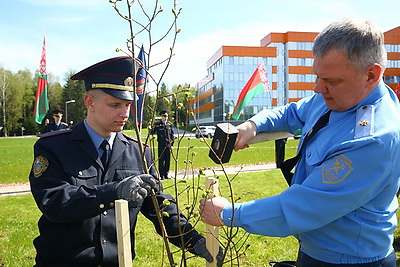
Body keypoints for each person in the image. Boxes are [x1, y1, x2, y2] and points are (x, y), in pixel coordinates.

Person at [199, 18, 400, 266]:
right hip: (316, 250)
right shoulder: (338, 97)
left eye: (330, 81)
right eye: (317, 76)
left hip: (352, 261)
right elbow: (291, 113)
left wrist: (228, 214)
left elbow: (302, 207)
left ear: (371, 74)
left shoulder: (373, 139)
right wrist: (253, 126)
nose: (317, 88)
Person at [29, 56, 221, 266]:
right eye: (115, 104)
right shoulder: (54, 147)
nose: (124, 113)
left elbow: (159, 207)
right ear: (89, 102)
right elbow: (55, 202)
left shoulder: (139, 151)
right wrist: (114, 191)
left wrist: (194, 241)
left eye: (128, 105)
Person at [151, 110, 174, 179]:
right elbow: (152, 132)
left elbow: (172, 135)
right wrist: (151, 126)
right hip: (161, 145)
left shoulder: (169, 124)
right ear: (161, 116)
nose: (165, 117)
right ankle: (161, 175)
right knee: (161, 159)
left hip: (168, 145)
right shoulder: (158, 124)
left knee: (167, 160)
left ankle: (166, 174)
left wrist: (172, 144)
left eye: (166, 116)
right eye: (164, 116)